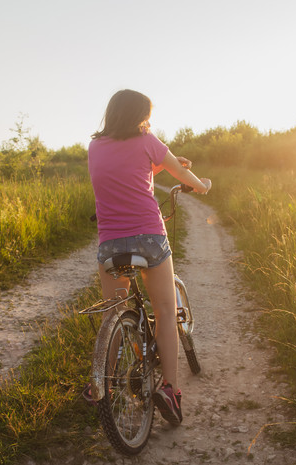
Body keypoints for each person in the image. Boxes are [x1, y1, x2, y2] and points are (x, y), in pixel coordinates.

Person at [88, 89, 211, 426]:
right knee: (165, 311)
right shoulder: (148, 140)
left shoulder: (94, 146)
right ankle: (170, 390)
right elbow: (180, 175)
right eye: (146, 116)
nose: (149, 122)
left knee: (113, 312)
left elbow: (123, 171)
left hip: (110, 244)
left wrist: (158, 163)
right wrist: (200, 185)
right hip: (149, 239)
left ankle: (101, 381)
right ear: (138, 116)